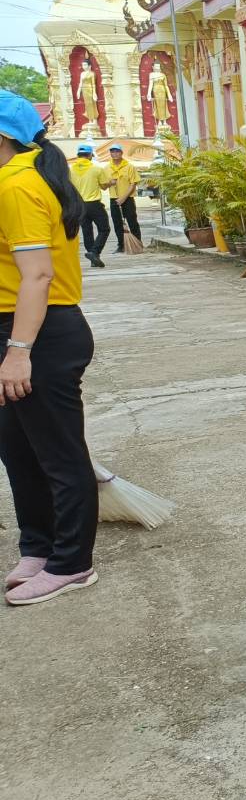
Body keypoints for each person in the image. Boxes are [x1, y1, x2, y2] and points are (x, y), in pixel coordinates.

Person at [0, 91, 97, 606]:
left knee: (58, 453)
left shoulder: (16, 184)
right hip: (27, 327)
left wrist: (19, 351)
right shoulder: (27, 175)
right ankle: (38, 546)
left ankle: (71, 562)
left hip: (37, 332)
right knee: (18, 448)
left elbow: (36, 275)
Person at [69, 144, 109, 269]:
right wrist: (111, 183)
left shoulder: (70, 169)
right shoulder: (96, 169)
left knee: (87, 231)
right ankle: (95, 252)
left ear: (78, 155)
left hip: (79, 205)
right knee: (104, 229)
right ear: (90, 155)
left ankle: (93, 258)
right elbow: (103, 185)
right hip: (94, 204)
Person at [100, 143, 142, 253]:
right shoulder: (106, 168)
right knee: (117, 223)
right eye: (112, 152)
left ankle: (137, 243)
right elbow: (103, 186)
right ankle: (121, 245)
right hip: (114, 198)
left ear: (121, 153)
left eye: (117, 151)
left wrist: (123, 198)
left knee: (132, 221)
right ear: (110, 153)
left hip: (127, 198)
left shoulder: (129, 167)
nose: (115, 154)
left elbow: (133, 184)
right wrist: (110, 183)